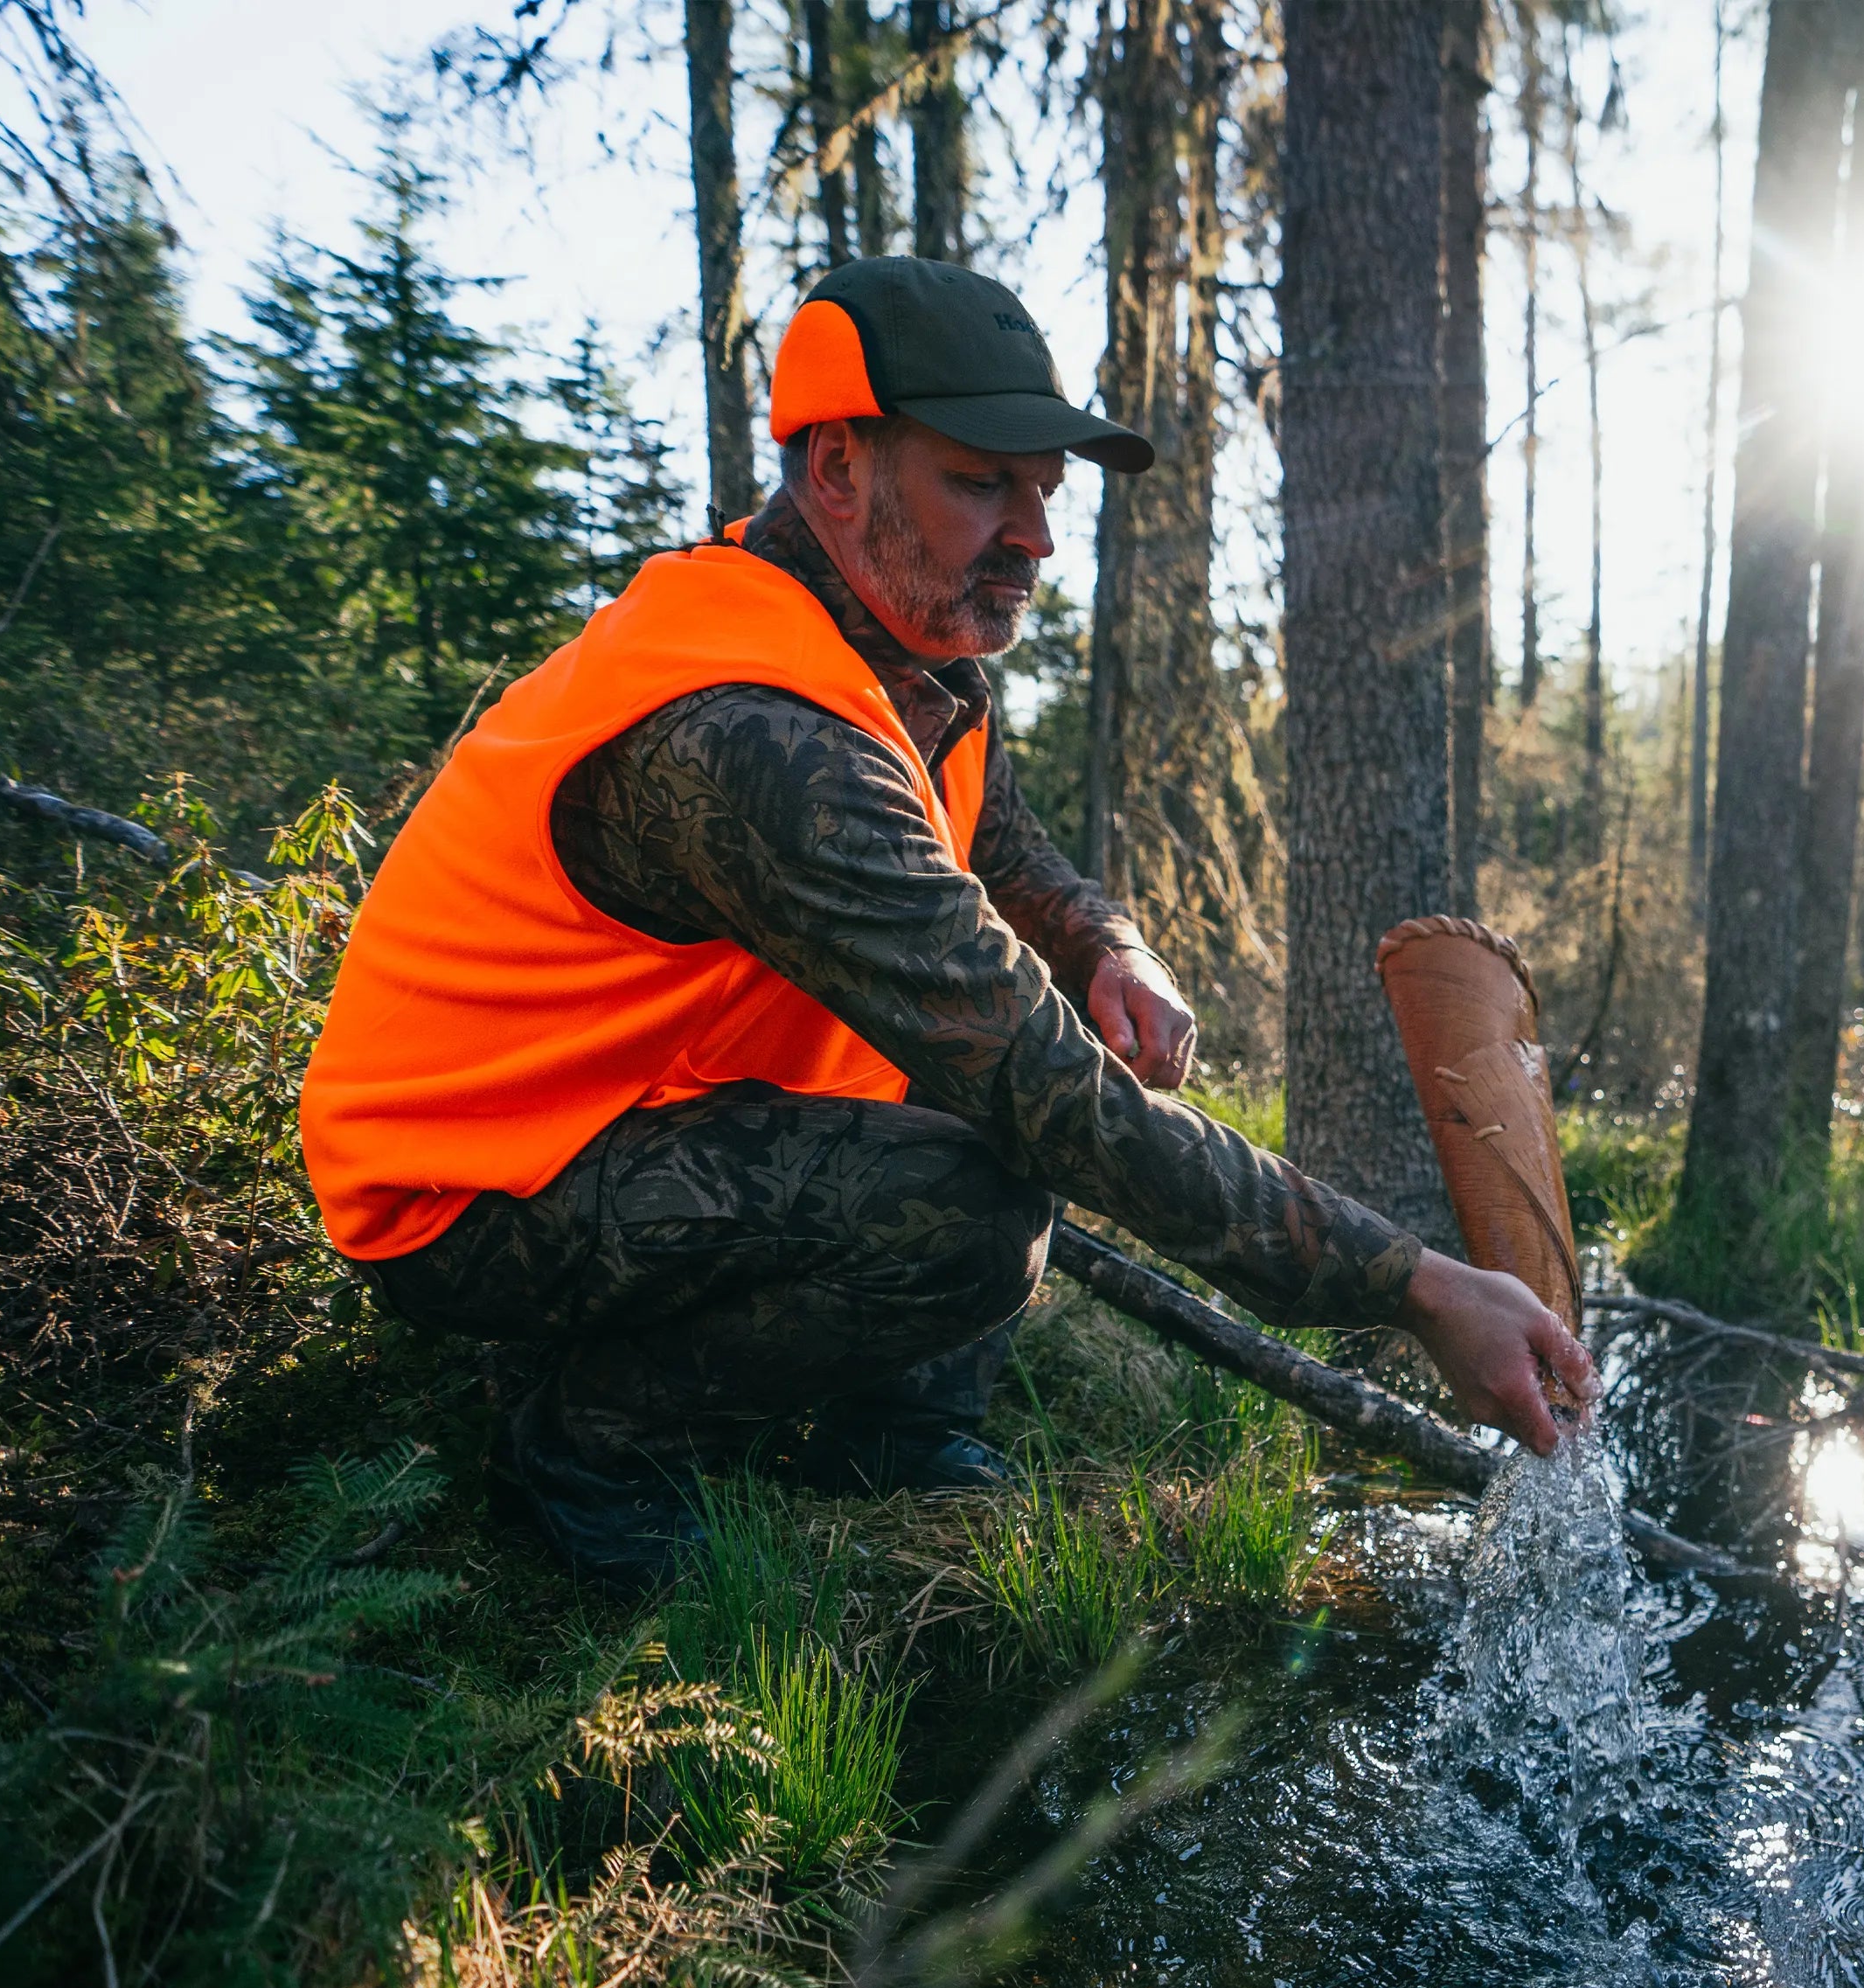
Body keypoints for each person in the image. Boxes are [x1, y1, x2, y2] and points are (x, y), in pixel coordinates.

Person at [299, 255, 1596, 1584]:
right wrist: (1415, 1287)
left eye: (1045, 491)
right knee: (975, 1200)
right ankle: (588, 1447)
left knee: (992, 1083)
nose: (1036, 537)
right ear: (839, 469)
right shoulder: (759, 730)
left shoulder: (909, 662)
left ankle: (894, 1436)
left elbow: (1009, 853)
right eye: (982, 484)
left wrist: (1107, 947)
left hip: (634, 1108)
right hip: (468, 1188)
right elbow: (1050, 1095)